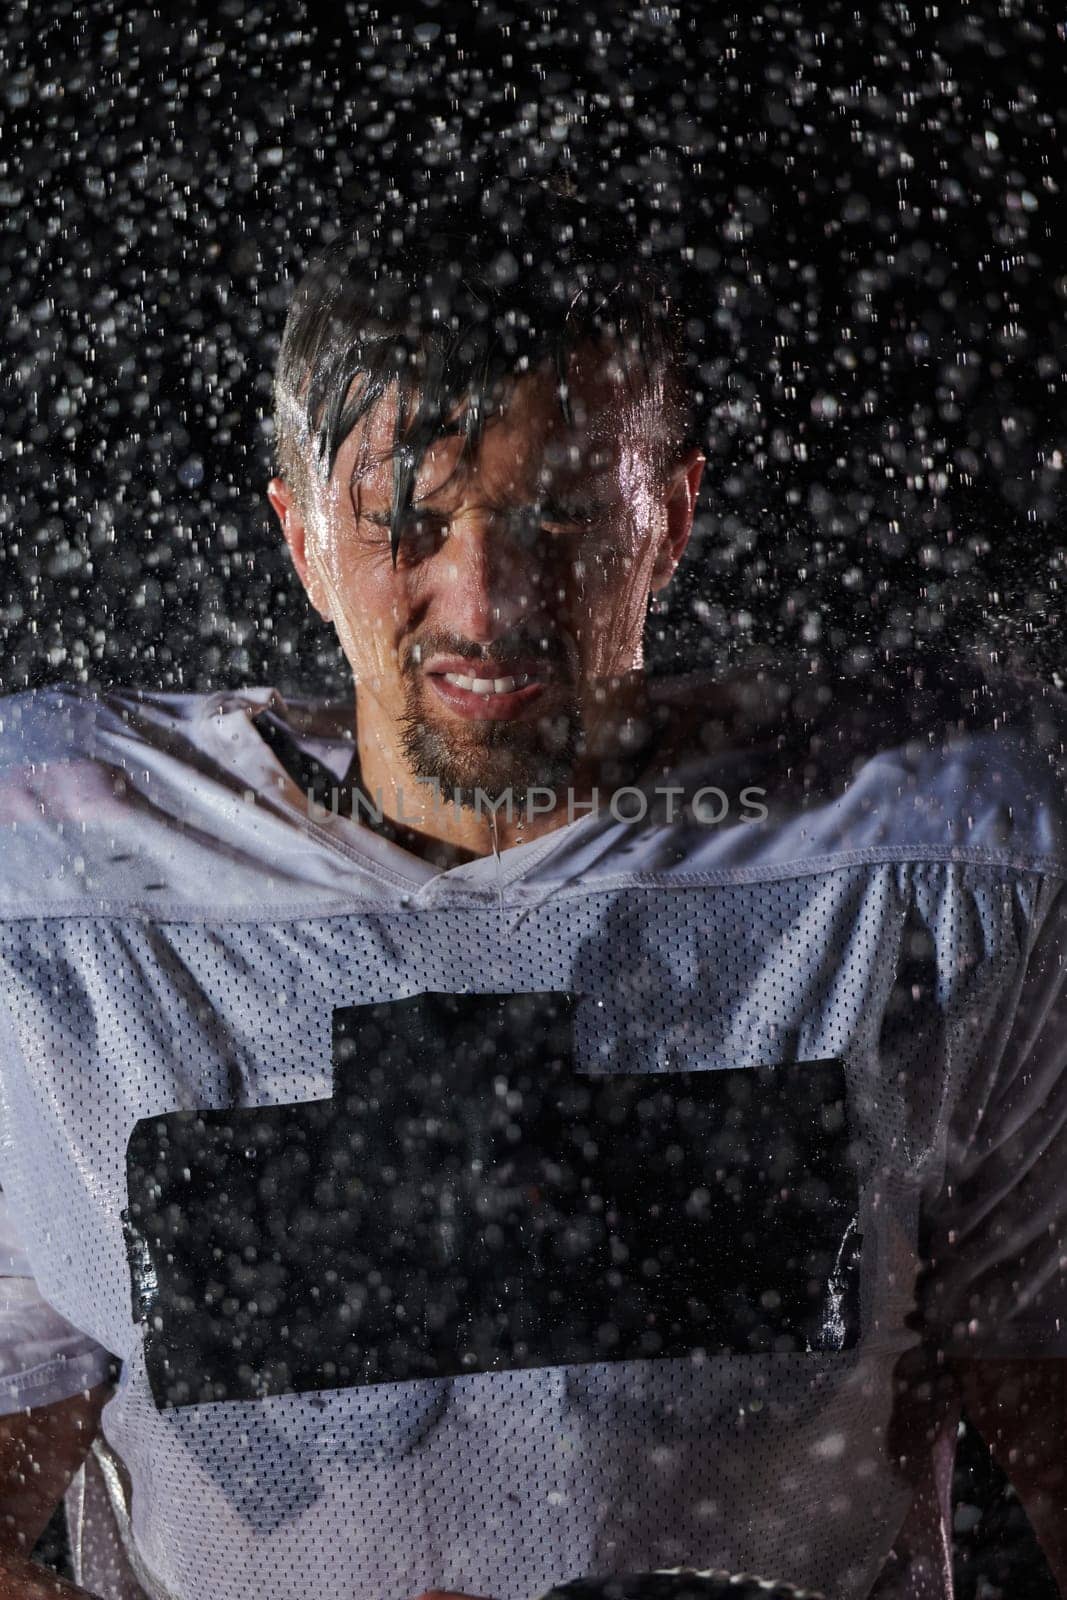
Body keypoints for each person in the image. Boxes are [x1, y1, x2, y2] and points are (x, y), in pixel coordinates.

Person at [0, 181, 1065, 1600]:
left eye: (560, 511)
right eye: (408, 521)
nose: (488, 599)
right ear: (302, 538)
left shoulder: (938, 877)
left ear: (671, 516)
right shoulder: (67, 897)